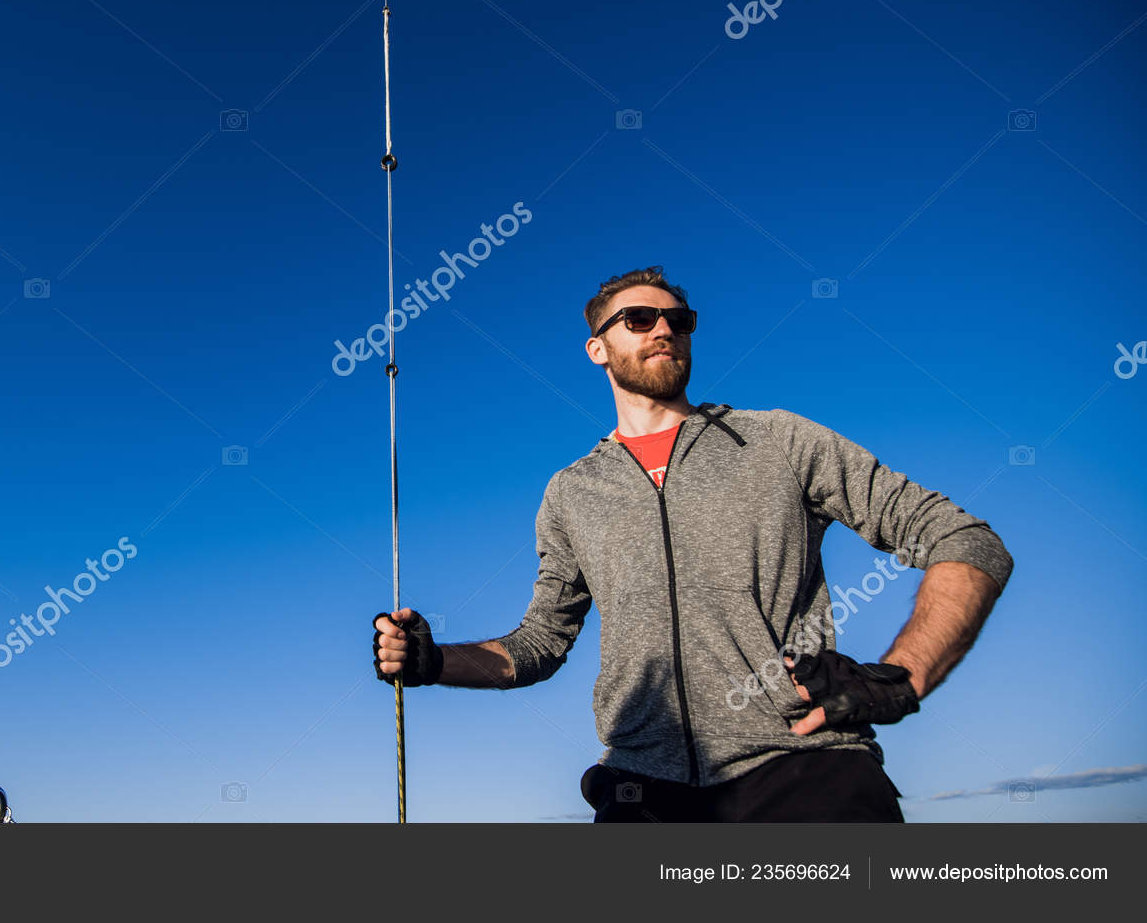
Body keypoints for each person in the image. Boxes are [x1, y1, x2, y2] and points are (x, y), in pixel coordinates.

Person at [371, 267, 1012, 822]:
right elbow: (538, 646)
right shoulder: (570, 493)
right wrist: (431, 663)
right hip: (641, 793)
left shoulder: (780, 441)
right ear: (597, 348)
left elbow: (966, 540)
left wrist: (903, 675)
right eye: (640, 318)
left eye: (678, 319)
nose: (664, 330)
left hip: (806, 774)